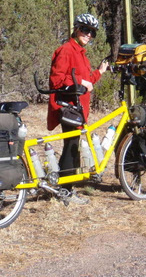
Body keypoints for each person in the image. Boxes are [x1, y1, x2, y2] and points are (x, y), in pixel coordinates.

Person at [47, 13, 109, 203]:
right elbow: (57, 80)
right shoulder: (66, 50)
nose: (88, 35)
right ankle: (65, 191)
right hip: (68, 108)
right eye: (85, 29)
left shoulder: (81, 53)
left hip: (78, 109)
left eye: (92, 32)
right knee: (71, 147)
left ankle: (63, 187)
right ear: (76, 29)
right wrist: (81, 81)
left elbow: (87, 81)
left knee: (71, 147)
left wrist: (99, 72)